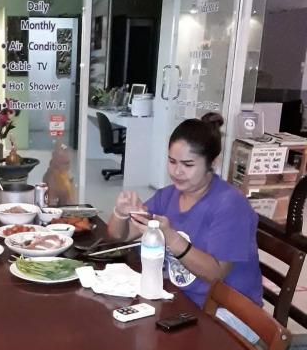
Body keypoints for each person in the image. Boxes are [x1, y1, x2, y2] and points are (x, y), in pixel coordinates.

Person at [108, 113, 263, 314]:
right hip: (181, 299)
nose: (177, 171)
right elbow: (121, 235)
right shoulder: (168, 195)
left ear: (213, 163)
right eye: (172, 161)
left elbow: (216, 275)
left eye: (188, 164)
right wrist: (121, 214)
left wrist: (171, 237)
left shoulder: (231, 205)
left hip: (226, 312)